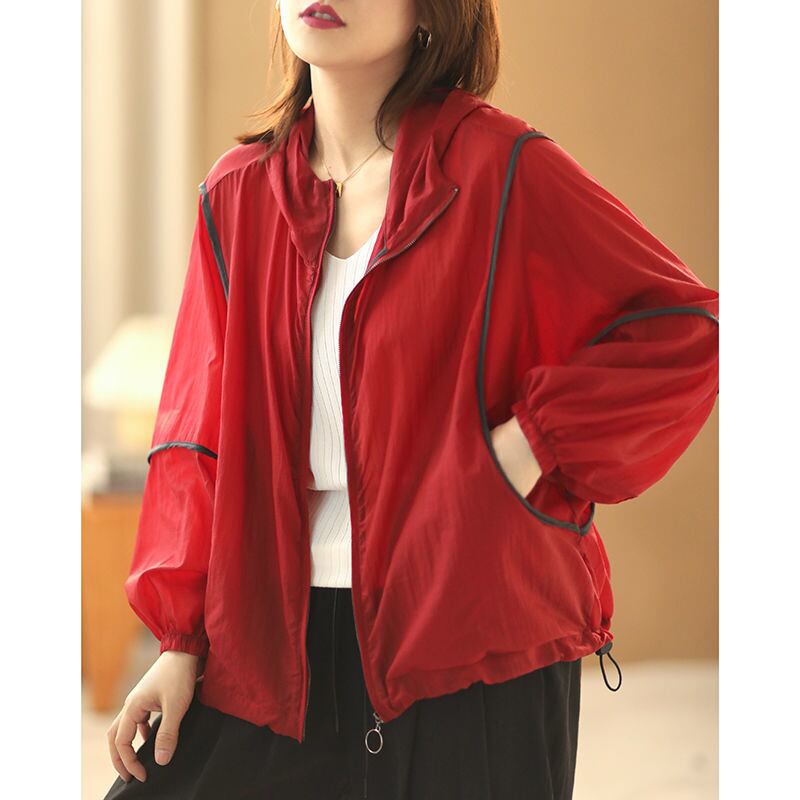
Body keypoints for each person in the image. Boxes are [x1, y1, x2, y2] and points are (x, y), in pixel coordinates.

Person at [103, 1, 719, 798]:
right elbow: (199, 436)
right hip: (270, 641)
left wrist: (528, 444)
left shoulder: (500, 168)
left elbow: (687, 329)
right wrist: (181, 645)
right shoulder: (237, 195)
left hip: (472, 651)